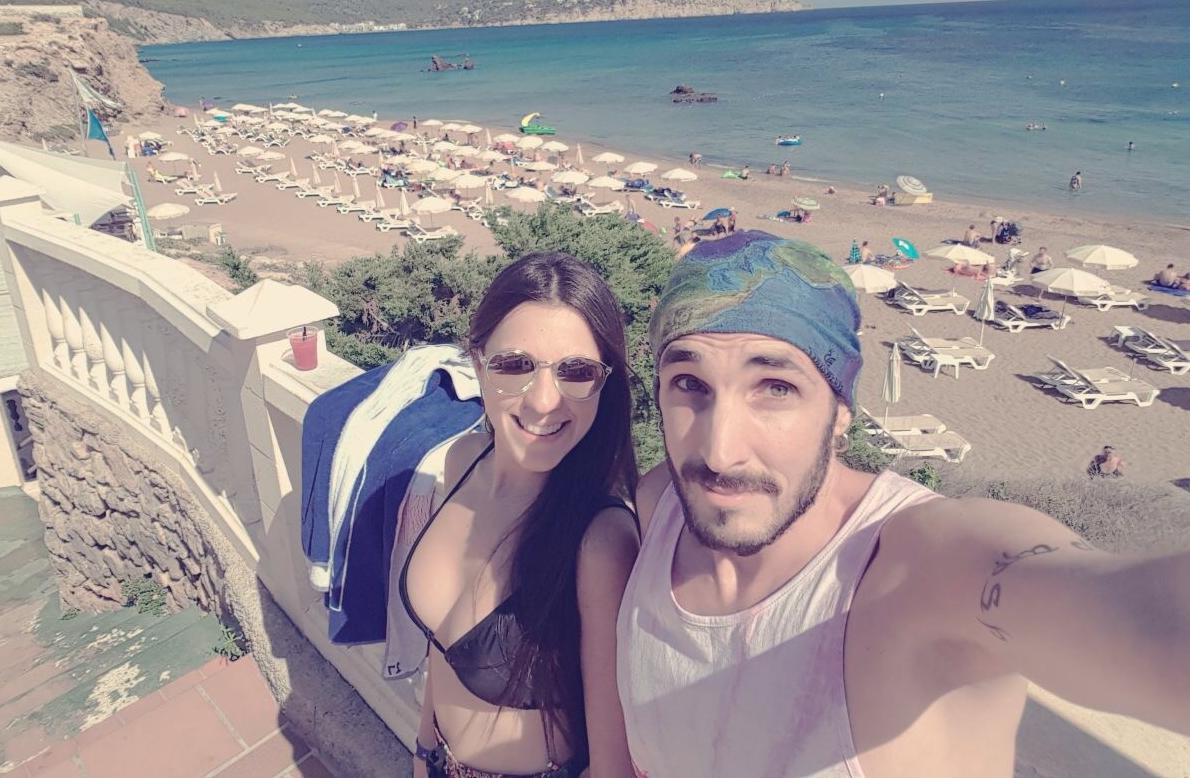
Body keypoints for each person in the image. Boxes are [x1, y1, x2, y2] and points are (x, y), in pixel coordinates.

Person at [617, 229, 1190, 777]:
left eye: (776, 388)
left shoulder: (914, 567)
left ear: (840, 412)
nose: (719, 453)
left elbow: (1123, 611)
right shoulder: (659, 504)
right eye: (689, 383)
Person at [404, 253, 639, 778]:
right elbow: (440, 649)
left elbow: (612, 764)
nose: (544, 401)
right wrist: (423, 750)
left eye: (576, 372)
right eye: (515, 365)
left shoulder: (600, 541)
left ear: (603, 384)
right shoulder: (462, 461)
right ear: (478, 362)